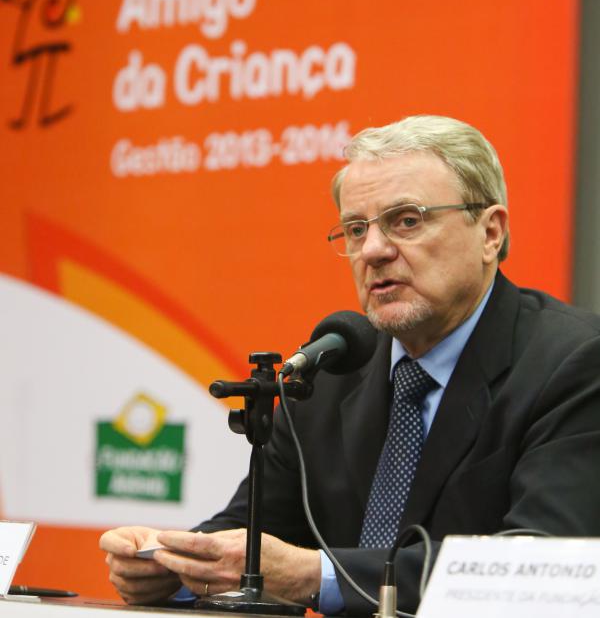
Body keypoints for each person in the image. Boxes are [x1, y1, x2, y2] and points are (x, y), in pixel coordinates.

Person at [100, 115, 600, 614]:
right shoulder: (326, 373)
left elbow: (538, 570)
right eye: (356, 229)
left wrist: (314, 574)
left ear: (490, 232)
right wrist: (169, 565)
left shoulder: (574, 364)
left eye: (407, 220)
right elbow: (251, 539)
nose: (373, 251)